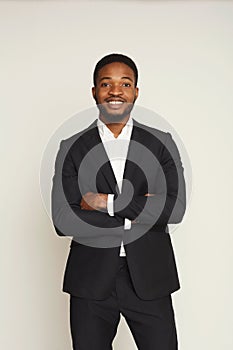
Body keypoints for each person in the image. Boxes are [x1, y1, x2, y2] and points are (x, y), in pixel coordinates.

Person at [52, 53, 186, 350]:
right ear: (94, 92)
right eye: (106, 84)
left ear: (136, 91)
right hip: (90, 280)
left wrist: (106, 203)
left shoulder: (160, 142)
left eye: (125, 84)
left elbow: (174, 208)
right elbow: (63, 219)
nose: (115, 91)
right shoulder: (71, 147)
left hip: (150, 276)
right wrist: (142, 209)